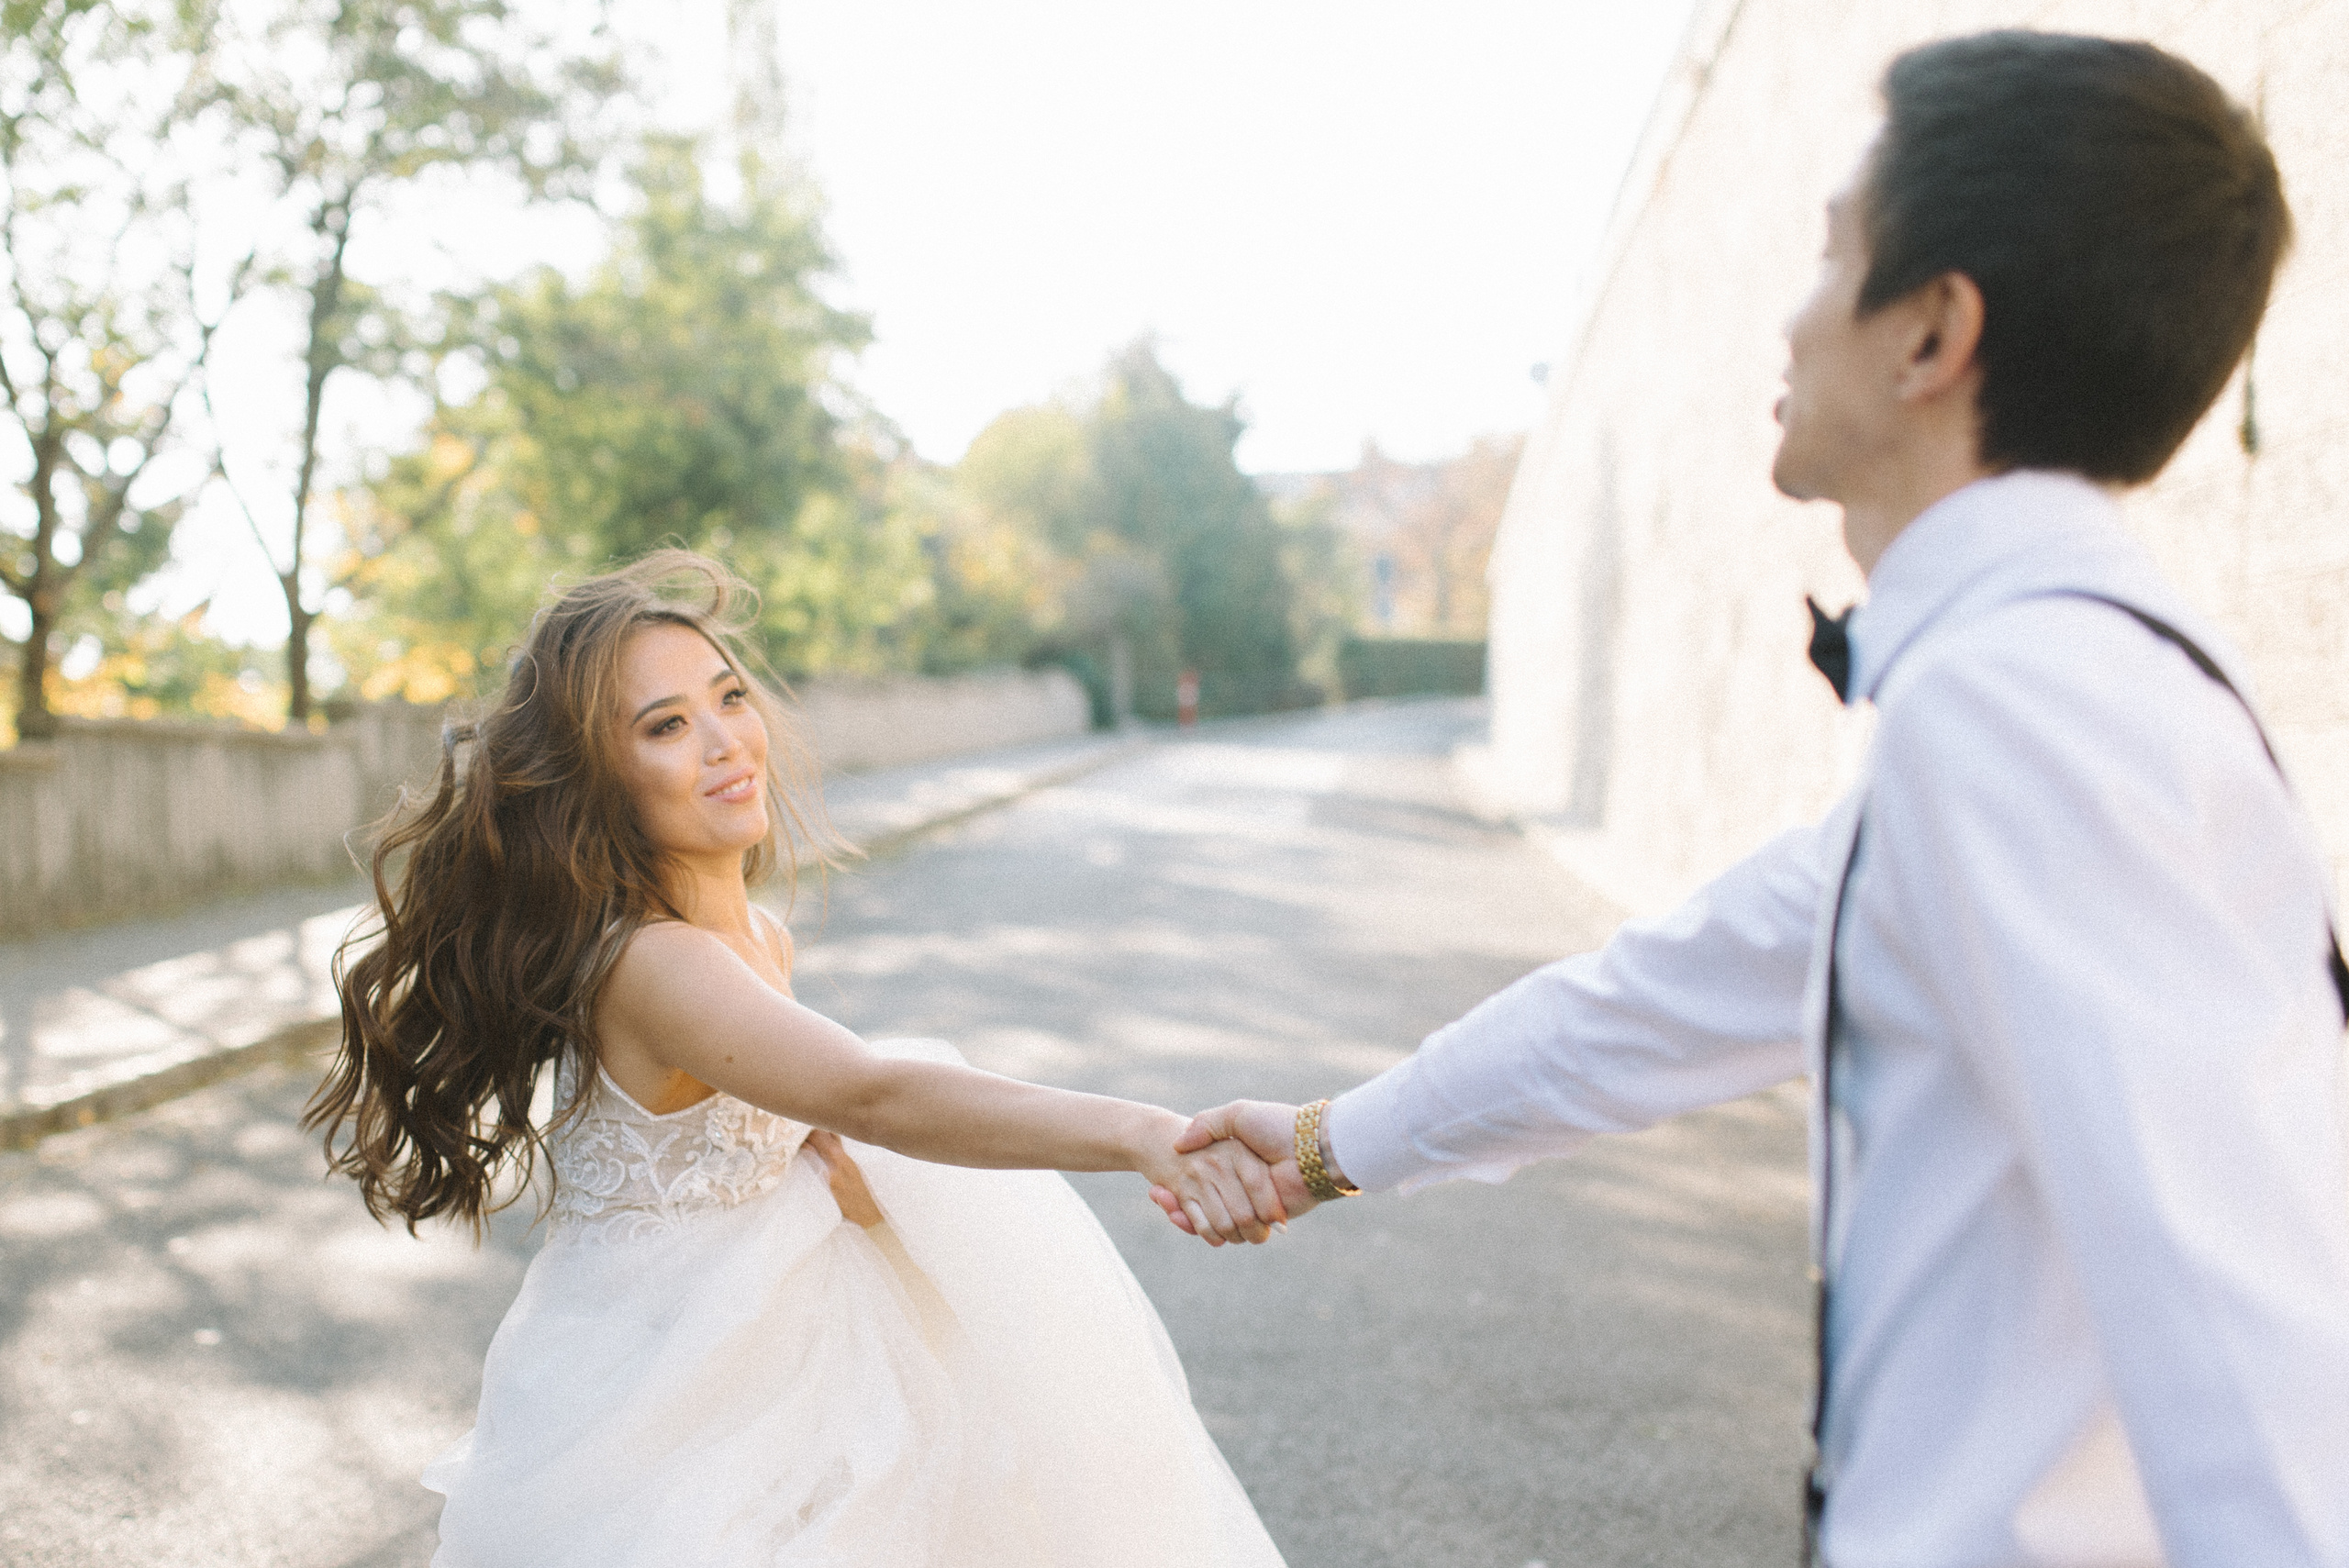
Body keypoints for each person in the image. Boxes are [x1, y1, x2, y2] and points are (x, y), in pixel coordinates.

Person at [1173, 31, 2349, 1568]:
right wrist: (1332, 1140)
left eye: (1828, 257)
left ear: (1932, 334)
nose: (1788, 319)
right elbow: (1656, 998)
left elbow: (2243, 1335)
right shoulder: (2034, 681)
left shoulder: (2027, 705)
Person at [307, 550, 1290, 1566]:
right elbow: (873, 1090)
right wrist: (1143, 1136)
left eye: (728, 697)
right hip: (665, 1404)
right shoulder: (651, 964)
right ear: (599, 780)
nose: (726, 741)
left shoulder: (756, 940)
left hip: (781, 1356)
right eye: (666, 725)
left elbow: (803, 1117)